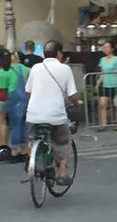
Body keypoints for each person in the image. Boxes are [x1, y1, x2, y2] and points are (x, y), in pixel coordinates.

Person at [24, 40, 81, 186]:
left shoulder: (35, 68)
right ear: (59, 53)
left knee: (32, 136)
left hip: (34, 114)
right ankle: (62, 173)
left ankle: (31, 154)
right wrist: (77, 103)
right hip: (55, 115)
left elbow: (28, 91)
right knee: (63, 141)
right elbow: (72, 95)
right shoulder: (65, 69)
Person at [0, 50, 29, 163]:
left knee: (14, 124)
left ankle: (15, 150)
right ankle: (24, 149)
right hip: (22, 99)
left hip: (12, 99)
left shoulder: (7, 70)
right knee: (22, 123)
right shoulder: (23, 68)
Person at [96, 40, 117, 130]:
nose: (106, 49)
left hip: (115, 85)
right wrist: (98, 83)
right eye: (104, 47)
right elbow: (102, 73)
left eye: (107, 47)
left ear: (112, 48)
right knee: (102, 104)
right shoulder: (102, 60)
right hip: (105, 85)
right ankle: (103, 125)